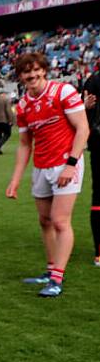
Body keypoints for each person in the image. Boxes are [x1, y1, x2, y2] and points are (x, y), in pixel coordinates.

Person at [6, 52, 89, 297]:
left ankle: (57, 278)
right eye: (25, 72)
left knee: (60, 221)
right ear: (20, 77)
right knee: (45, 221)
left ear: (44, 70)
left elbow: (82, 128)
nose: (31, 75)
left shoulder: (63, 92)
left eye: (35, 70)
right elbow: (24, 144)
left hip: (66, 163)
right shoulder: (22, 106)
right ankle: (50, 268)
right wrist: (15, 179)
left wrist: (72, 163)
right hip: (41, 167)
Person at [79, 68, 100, 267]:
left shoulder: (92, 80)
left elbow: (83, 111)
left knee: (98, 196)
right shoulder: (93, 81)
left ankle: (99, 254)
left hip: (97, 143)